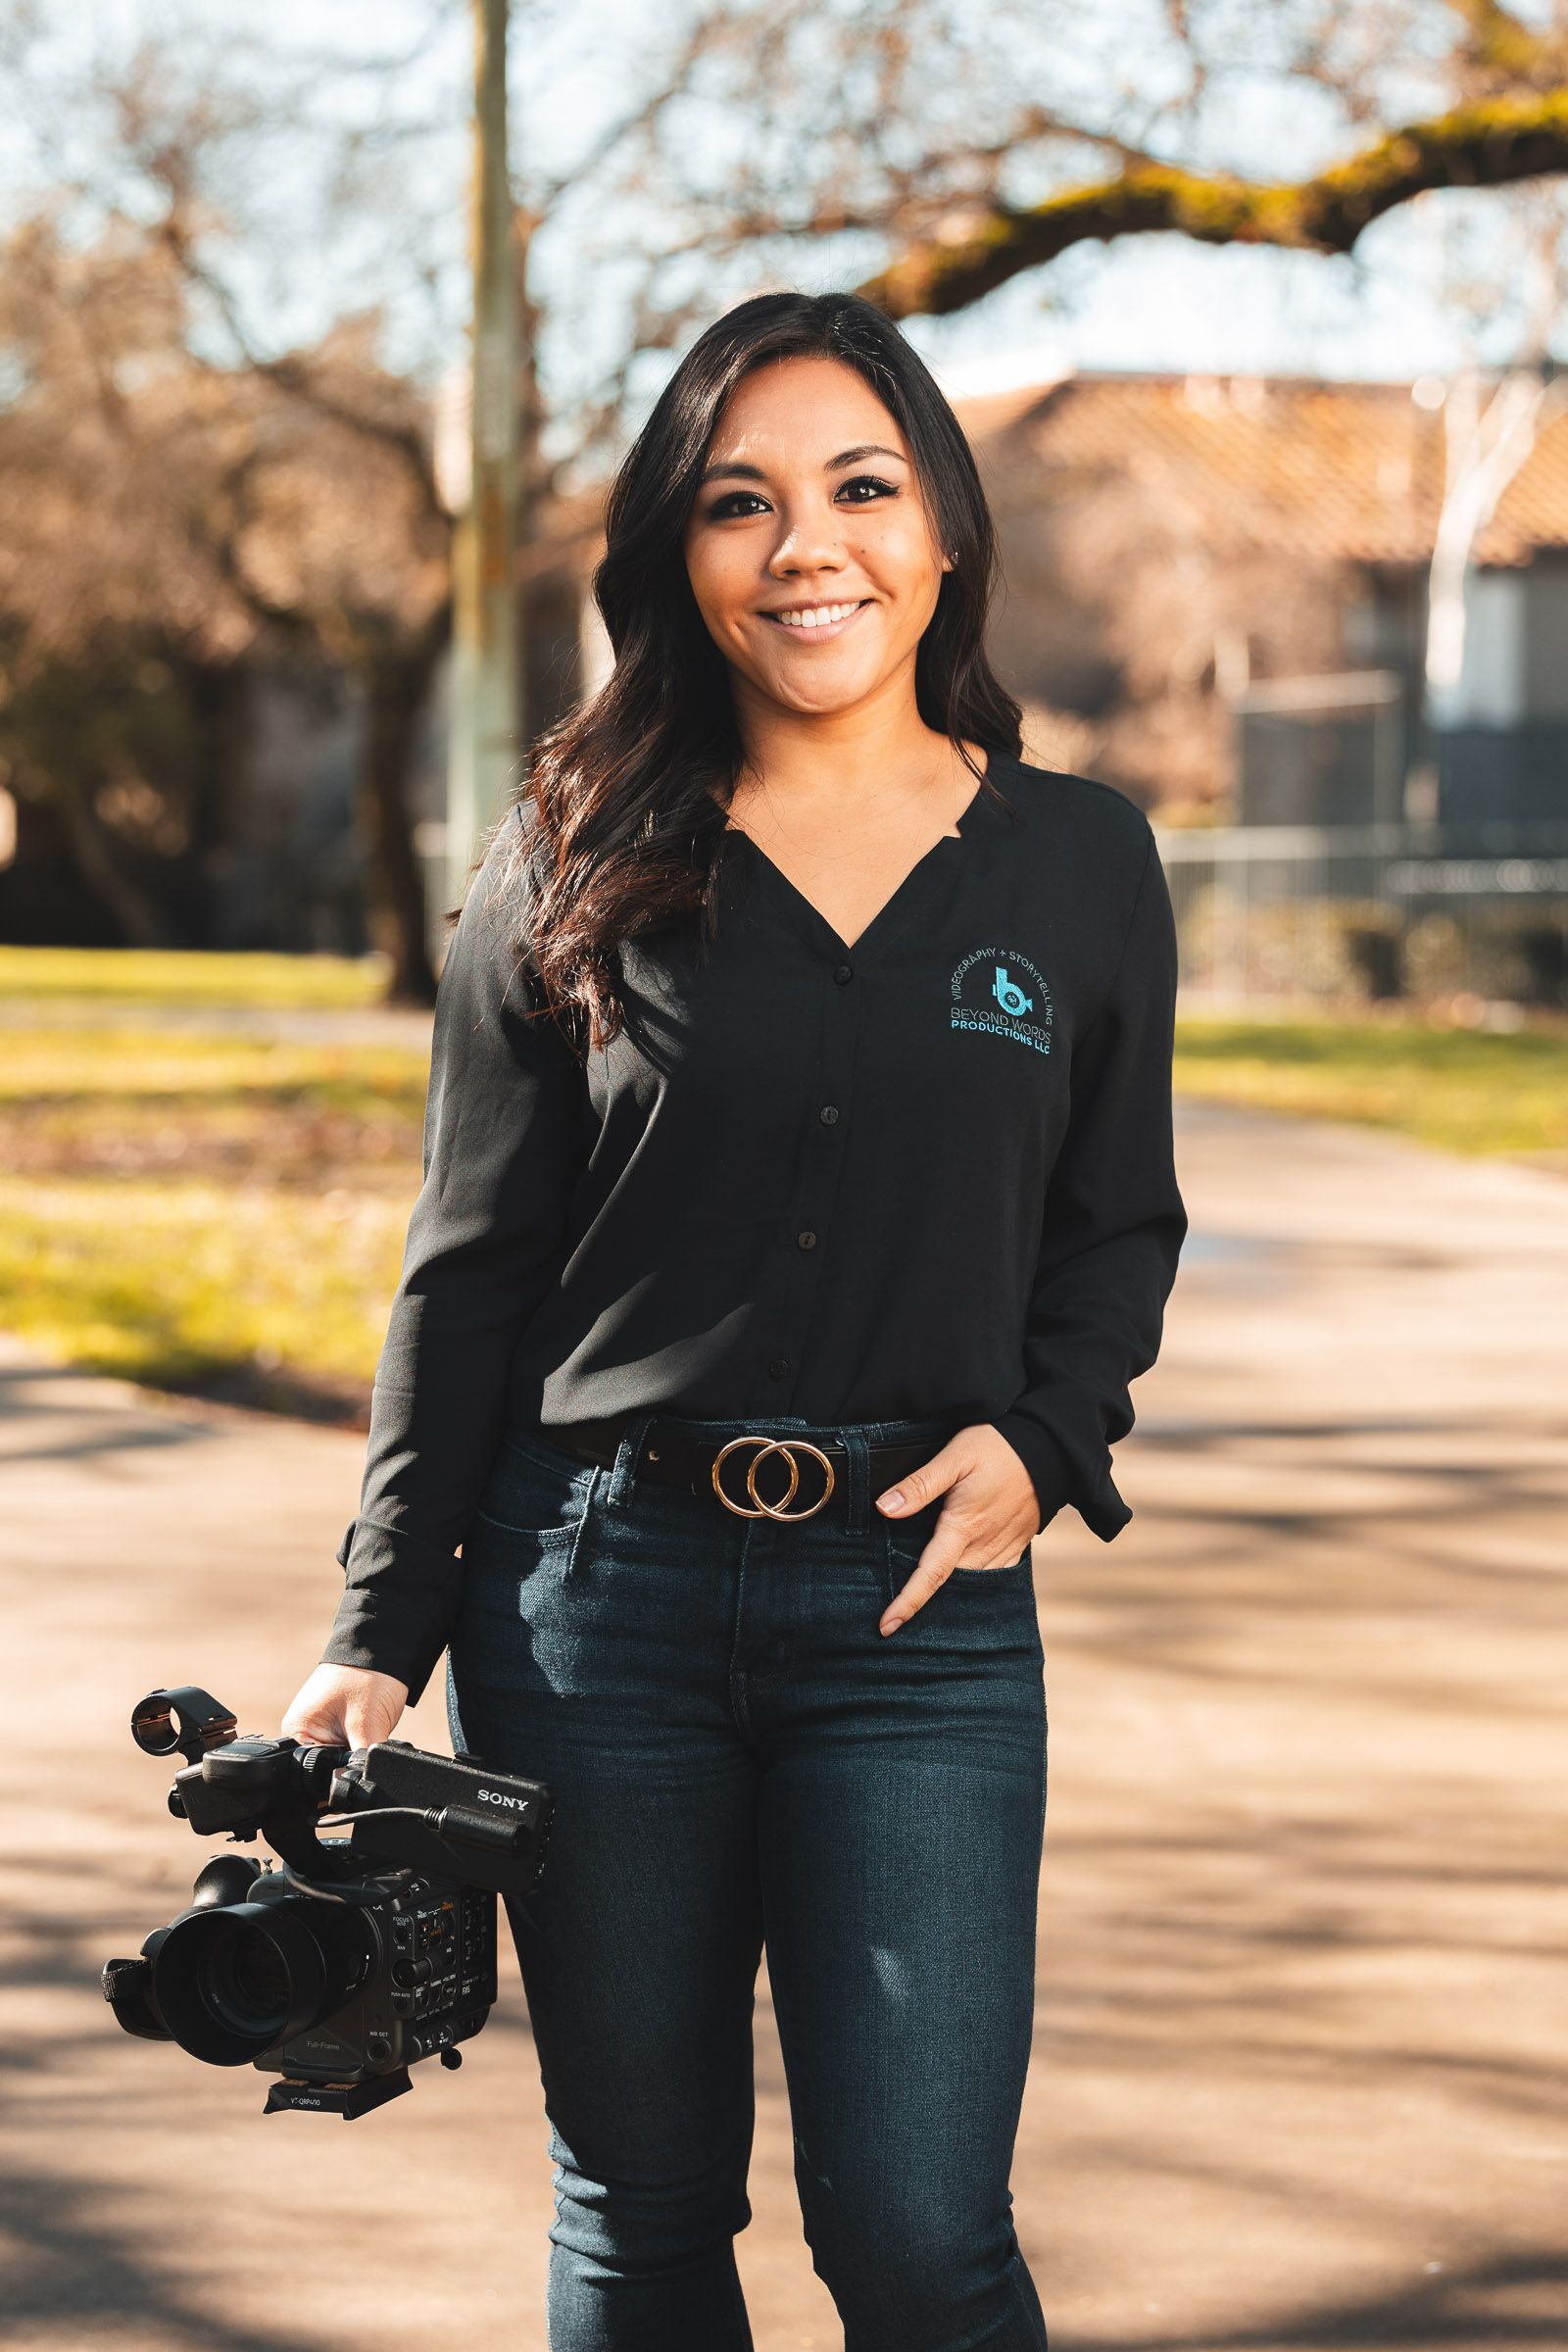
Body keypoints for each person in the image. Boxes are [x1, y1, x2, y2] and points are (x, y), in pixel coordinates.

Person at [281, 287, 1187, 2351]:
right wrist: (376, 1627)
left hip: (917, 1620)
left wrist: (1047, 1439)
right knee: (641, 2204)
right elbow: (469, 1269)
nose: (805, 549)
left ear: (939, 530)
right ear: (677, 557)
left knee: (922, 2237)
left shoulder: (1079, 863)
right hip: (590, 1607)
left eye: (860, 488)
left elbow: (1115, 1224)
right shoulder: (567, 850)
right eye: (739, 502)